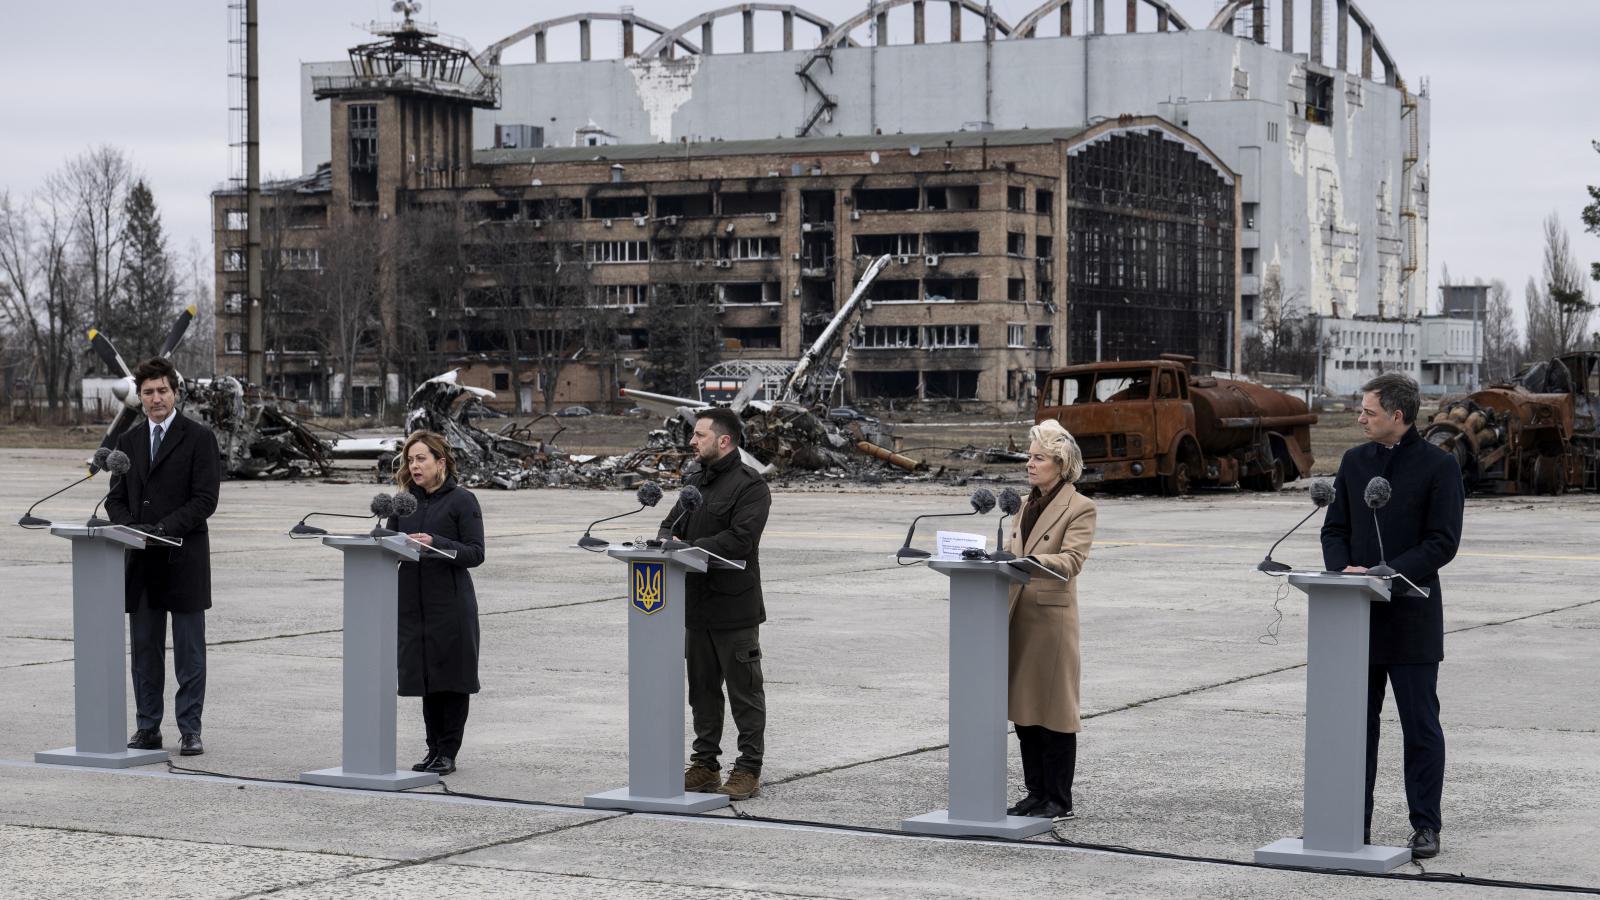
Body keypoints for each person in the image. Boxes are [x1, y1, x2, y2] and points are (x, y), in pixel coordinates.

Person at [1321, 373, 1464, 859]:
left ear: (1398, 417)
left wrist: (1388, 572)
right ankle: (1350, 822)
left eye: (1369, 412)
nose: (1360, 418)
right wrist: (1345, 571)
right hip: (1355, 618)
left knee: (1420, 727)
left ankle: (1426, 825)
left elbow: (1442, 542)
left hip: (1411, 618)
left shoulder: (1439, 466)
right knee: (1356, 727)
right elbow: (1334, 528)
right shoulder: (1354, 462)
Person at [105, 357, 222, 757]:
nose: (156, 399)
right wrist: (131, 528)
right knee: (144, 651)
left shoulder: (199, 438)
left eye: (162, 391)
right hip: (141, 562)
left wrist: (165, 528)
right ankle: (147, 727)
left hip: (183, 559)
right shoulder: (128, 444)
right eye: (149, 392)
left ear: (175, 393)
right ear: (140, 397)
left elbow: (205, 499)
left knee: (190, 654)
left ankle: (190, 729)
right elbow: (115, 499)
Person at [660, 407, 772, 801]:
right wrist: (666, 544)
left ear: (723, 440)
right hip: (695, 607)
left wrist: (687, 548)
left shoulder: (750, 486)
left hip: (734, 608)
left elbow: (740, 539)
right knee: (702, 691)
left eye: (699, 435)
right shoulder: (694, 482)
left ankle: (748, 769)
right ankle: (705, 765)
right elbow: (669, 526)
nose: (692, 441)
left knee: (745, 693)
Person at [1004, 418, 1097, 822]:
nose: (1030, 464)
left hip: (1051, 622)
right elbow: (1010, 549)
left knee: (1054, 714)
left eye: (1039, 458)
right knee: (1025, 712)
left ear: (1060, 464)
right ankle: (1035, 793)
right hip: (1018, 616)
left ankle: (1059, 800)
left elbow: (1073, 561)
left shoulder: (1080, 507)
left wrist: (1031, 561)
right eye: (1029, 457)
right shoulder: (1024, 504)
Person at [390, 430, 486, 776]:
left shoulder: (462, 501)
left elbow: (476, 553)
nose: (414, 466)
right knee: (426, 679)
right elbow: (388, 543)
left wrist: (436, 543)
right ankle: (432, 749)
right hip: (412, 605)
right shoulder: (404, 502)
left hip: (450, 604)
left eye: (421, 459)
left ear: (440, 463)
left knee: (452, 679)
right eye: (410, 460)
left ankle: (448, 751)